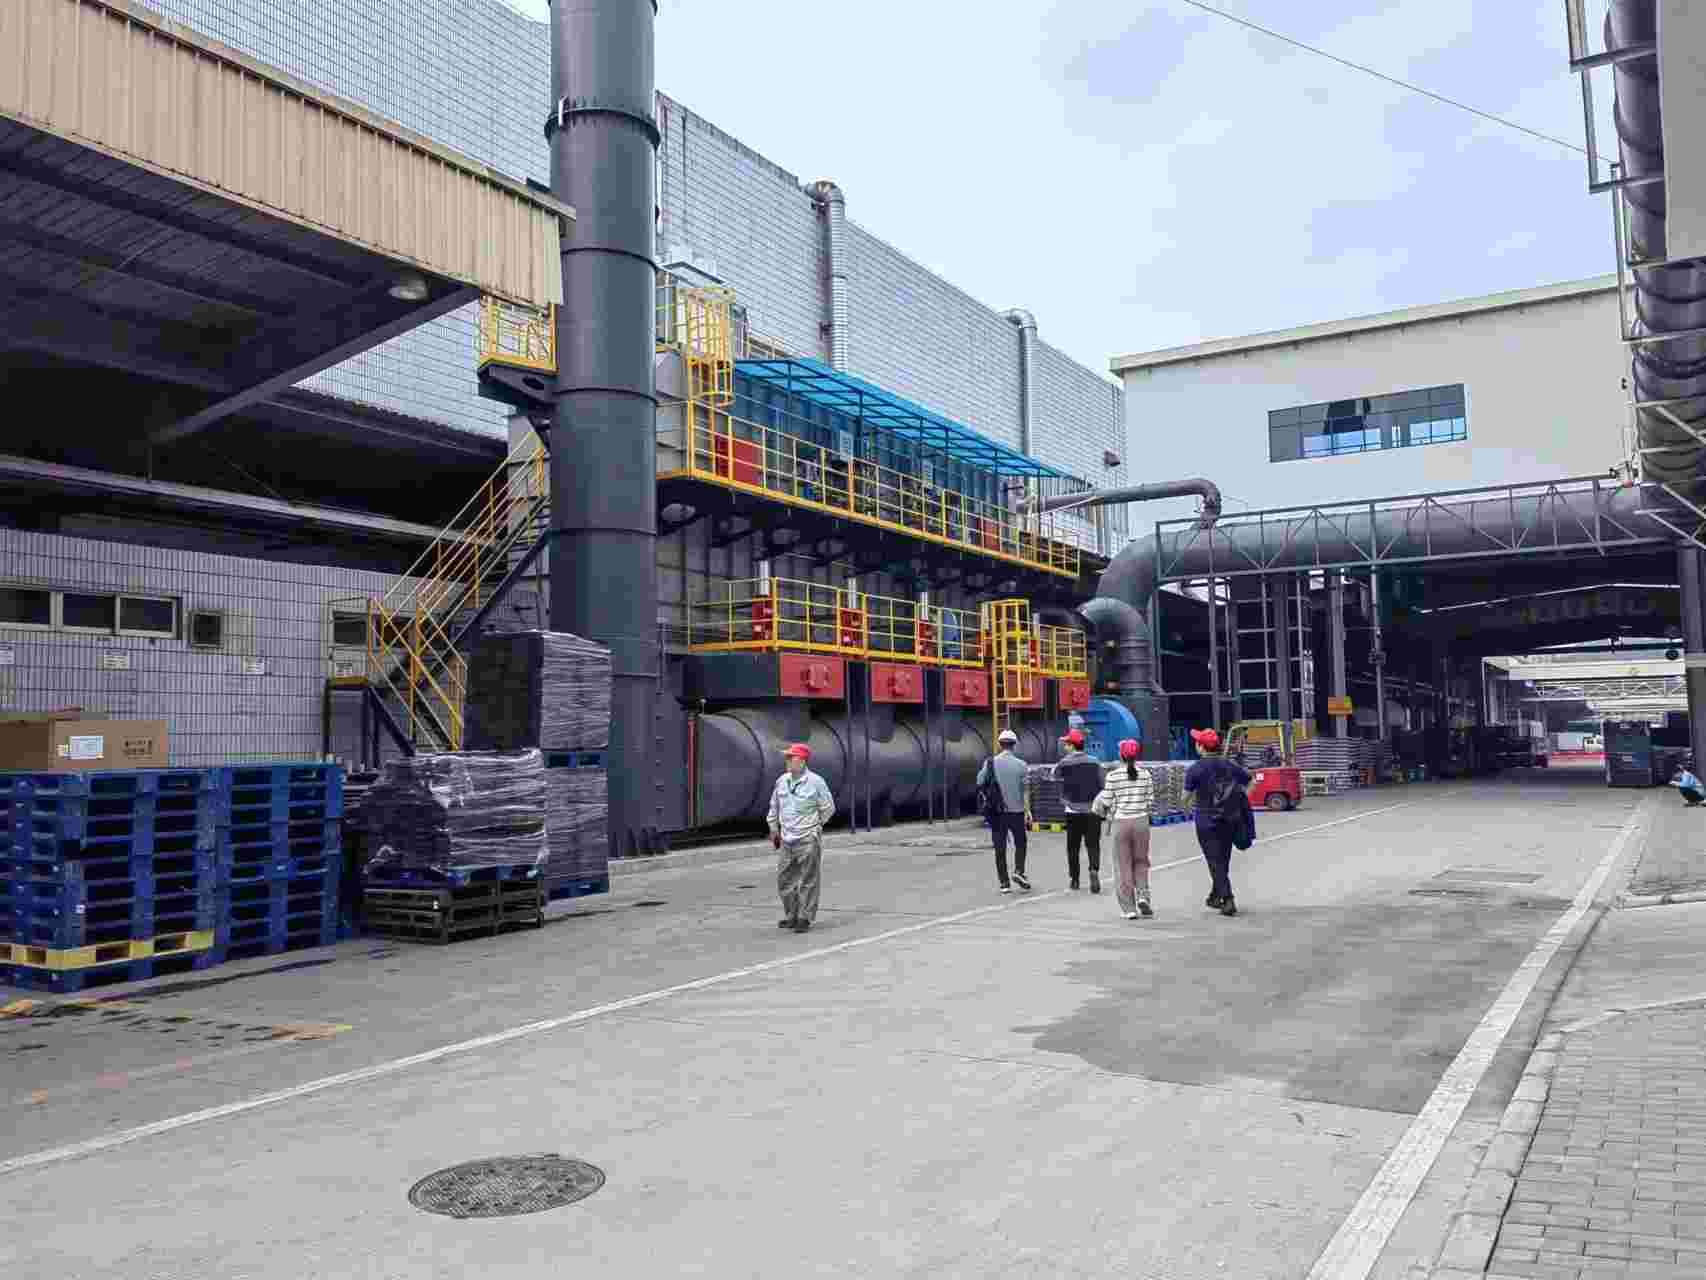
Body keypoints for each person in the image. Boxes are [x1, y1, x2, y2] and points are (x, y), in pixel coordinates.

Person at [767, 743, 836, 933]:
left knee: (808, 879)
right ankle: (792, 915)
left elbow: (828, 808)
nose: (787, 761)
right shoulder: (782, 781)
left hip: (807, 838)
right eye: (787, 757)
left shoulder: (816, 782)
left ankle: (804, 917)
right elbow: (774, 806)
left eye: (791, 757)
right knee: (784, 880)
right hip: (787, 839)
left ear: (803, 761)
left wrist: (816, 827)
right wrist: (773, 828)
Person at [1183, 727, 1250, 918]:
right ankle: (1215, 895)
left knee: (1214, 861)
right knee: (1223, 859)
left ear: (1201, 747)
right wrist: (1240, 801)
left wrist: (1186, 811)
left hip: (1206, 820)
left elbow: (1185, 797)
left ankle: (1228, 899)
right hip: (1229, 818)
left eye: (1197, 742)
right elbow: (1249, 781)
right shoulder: (1229, 765)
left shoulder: (1195, 769)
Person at [1093, 738, 1154, 919]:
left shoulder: (1113, 776)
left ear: (1121, 755)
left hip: (1121, 824)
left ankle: (1129, 909)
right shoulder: (1145, 774)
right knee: (1141, 861)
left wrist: (1104, 811)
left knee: (1123, 865)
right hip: (1141, 822)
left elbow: (1106, 801)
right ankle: (1143, 896)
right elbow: (1150, 801)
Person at [977, 728, 1031, 893]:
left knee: (1000, 847)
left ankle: (1004, 883)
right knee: (1021, 842)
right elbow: (1026, 790)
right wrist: (1027, 810)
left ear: (1000, 744)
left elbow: (979, 781)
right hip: (1016, 812)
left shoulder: (990, 763)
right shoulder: (1021, 765)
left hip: (997, 812)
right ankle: (1019, 871)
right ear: (1014, 745)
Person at [1053, 728, 1105, 892]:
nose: (1064, 747)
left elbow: (1055, 777)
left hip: (1072, 810)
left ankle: (1075, 880)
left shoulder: (1064, 763)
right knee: (1093, 844)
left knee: (1073, 847)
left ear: (1071, 745)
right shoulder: (1095, 762)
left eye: (1066, 744)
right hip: (1093, 810)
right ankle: (1093, 869)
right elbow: (1103, 784)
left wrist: (1064, 797)